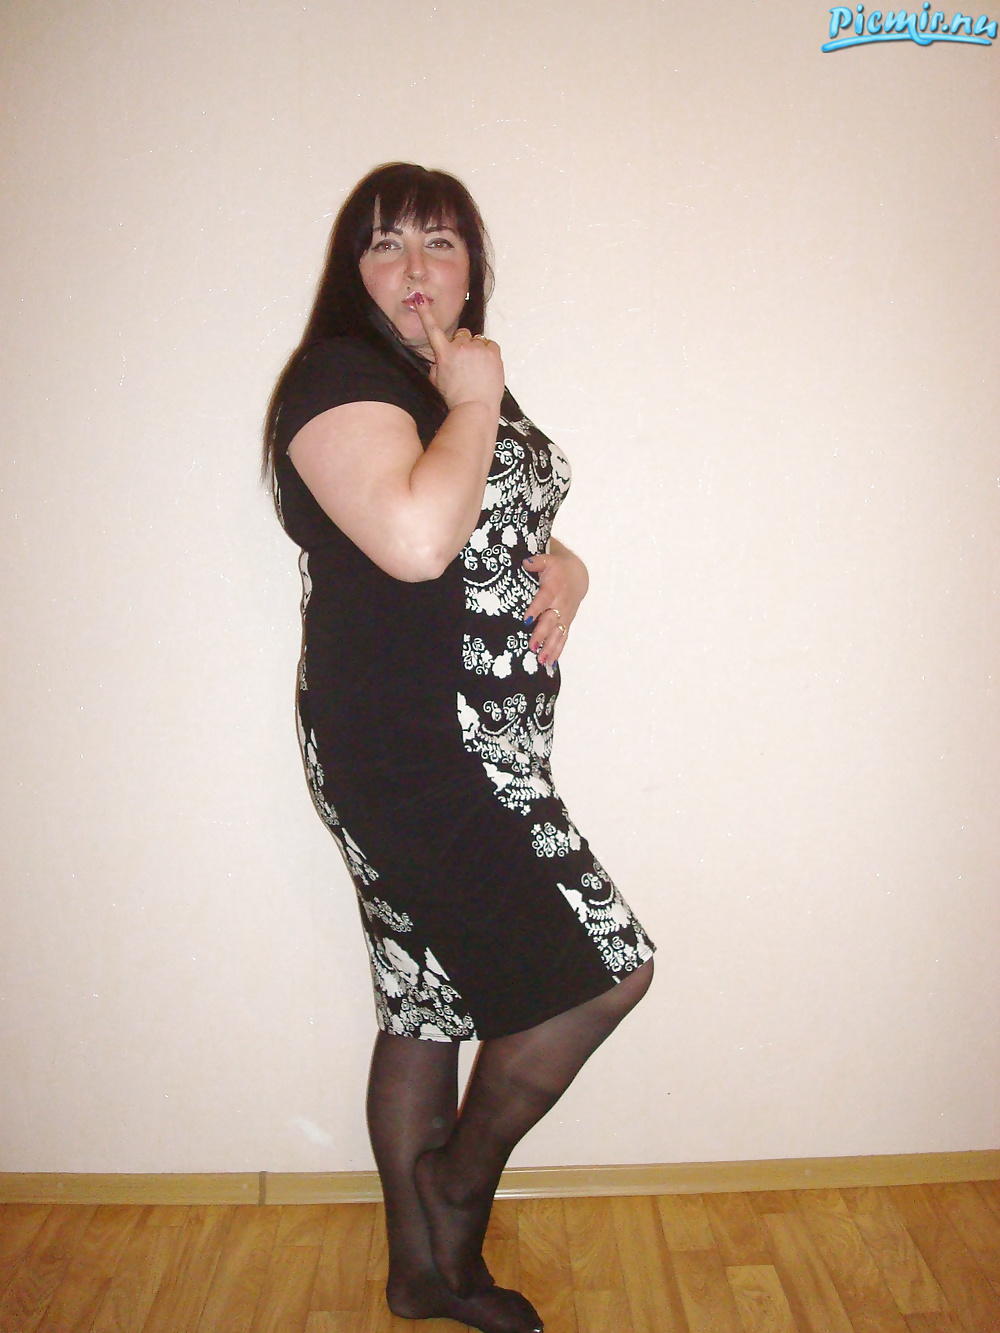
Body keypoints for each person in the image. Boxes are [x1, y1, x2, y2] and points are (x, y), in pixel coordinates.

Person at [263, 163, 655, 1333]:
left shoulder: (444, 378)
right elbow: (415, 538)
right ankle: (452, 1182)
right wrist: (475, 401)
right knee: (607, 971)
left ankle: (425, 1275)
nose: (417, 267)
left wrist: (570, 565)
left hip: (480, 741)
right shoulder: (341, 376)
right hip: (414, 744)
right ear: (353, 270)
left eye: (441, 241)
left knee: (425, 994)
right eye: (386, 242)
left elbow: (492, 517)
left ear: (473, 265)